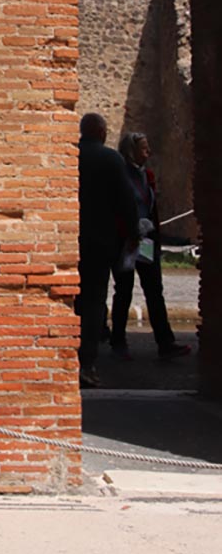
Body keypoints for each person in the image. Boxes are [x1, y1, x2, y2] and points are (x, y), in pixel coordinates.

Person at [110, 132, 191, 361]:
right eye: (144, 149)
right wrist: (128, 232)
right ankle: (118, 342)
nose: (149, 152)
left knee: (155, 292)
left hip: (146, 241)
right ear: (131, 151)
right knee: (123, 292)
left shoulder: (148, 175)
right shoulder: (120, 176)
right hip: (125, 242)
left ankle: (165, 342)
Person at [77, 112, 138, 388]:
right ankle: (86, 363)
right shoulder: (111, 159)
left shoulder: (72, 156)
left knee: (74, 302)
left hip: (71, 240)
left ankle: (64, 358)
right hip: (101, 243)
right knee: (94, 302)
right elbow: (126, 201)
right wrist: (134, 234)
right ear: (102, 133)